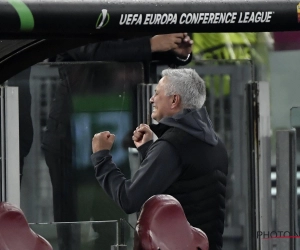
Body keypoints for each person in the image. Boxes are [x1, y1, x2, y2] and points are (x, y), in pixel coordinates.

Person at [40, 33, 192, 249]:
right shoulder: (79, 13)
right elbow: (89, 50)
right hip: (73, 135)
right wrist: (150, 44)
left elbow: (140, 55)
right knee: (72, 229)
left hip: (115, 136)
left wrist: (178, 53)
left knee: (114, 227)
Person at [91, 68, 228, 250]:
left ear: (174, 100)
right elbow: (186, 187)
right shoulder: (216, 144)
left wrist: (101, 157)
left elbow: (128, 199)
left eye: (157, 93)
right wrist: (149, 150)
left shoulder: (172, 146)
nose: (152, 99)